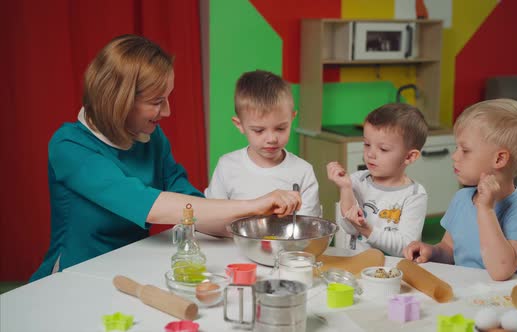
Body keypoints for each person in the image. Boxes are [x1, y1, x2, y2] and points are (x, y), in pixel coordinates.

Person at [31, 35, 300, 281]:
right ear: (120, 99)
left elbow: (191, 207)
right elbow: (149, 204)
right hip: (74, 276)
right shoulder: (70, 145)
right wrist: (253, 205)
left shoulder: (151, 138)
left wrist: (259, 230)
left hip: (131, 267)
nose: (167, 112)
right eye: (158, 101)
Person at [403, 99, 517, 281]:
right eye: (457, 148)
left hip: (505, 300)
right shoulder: (462, 198)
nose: (455, 156)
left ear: (499, 159)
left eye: (465, 150)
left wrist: (486, 209)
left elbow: (501, 272)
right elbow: (450, 250)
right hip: (468, 293)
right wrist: (433, 251)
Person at [205, 70, 321, 217]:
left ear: (292, 118)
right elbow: (212, 216)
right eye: (259, 130)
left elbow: (308, 229)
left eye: (280, 128)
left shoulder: (303, 172)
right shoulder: (227, 166)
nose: (272, 138)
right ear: (239, 124)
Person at [327, 103, 429, 256]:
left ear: (409, 156)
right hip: (356, 264)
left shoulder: (414, 194)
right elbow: (348, 229)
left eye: (383, 149)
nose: (370, 154)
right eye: (367, 144)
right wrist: (345, 188)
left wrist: (367, 230)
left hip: (392, 271)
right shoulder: (357, 180)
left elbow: (406, 248)